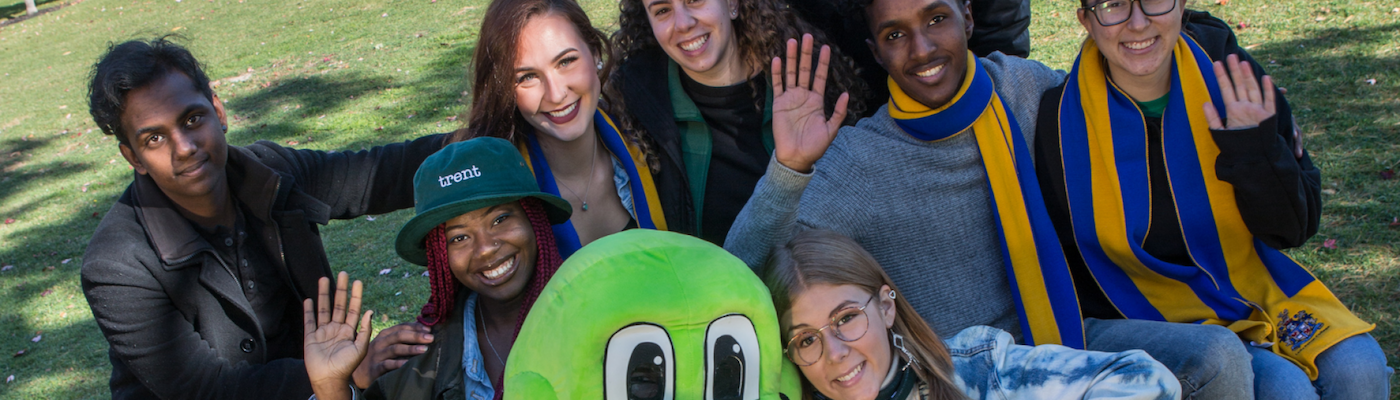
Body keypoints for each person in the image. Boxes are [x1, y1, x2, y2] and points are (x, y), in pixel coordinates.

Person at [723, 0, 1256, 398]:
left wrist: (1257, 129)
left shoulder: (1023, 87)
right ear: (876, 52)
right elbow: (740, 274)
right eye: (895, 34)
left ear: (968, 18)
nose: (923, 48)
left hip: (1070, 330)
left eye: (937, 19)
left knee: (1222, 359)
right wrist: (790, 169)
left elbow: (1120, 115)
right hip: (967, 374)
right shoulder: (859, 163)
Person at [1033, 0, 1391, 398]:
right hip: (1146, 312)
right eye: (1113, 4)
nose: (1137, 23)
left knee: (1362, 367)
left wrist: (1254, 151)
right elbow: (1067, 267)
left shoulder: (1232, 83)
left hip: (1251, 287)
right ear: (1086, 19)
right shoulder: (1058, 123)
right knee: (1287, 389)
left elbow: (1294, 229)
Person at [78, 37, 444, 399]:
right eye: (154, 139)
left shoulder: (269, 172)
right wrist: (346, 374)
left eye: (192, 119)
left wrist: (486, 142)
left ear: (218, 112)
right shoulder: (116, 266)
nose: (185, 148)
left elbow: (379, 175)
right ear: (134, 159)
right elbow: (208, 390)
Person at [302, 137, 574, 400]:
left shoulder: (597, 311)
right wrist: (331, 388)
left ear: (533, 217)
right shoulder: (418, 359)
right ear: (440, 256)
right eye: (459, 237)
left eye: (500, 219)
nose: (485, 248)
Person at [764, 229, 1180, 400]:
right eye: (806, 340)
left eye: (845, 318)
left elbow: (1142, 378)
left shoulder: (977, 369)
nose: (834, 351)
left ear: (886, 306)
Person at [607, 0, 869, 245]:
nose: (683, 23)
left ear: (732, 4)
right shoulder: (635, 108)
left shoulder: (807, 76)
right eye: (662, 10)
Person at [452, 0, 666, 259]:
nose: (556, 94)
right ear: (507, 90)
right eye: (527, 77)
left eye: (566, 61)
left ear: (596, 54)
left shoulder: (653, 136)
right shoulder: (495, 189)